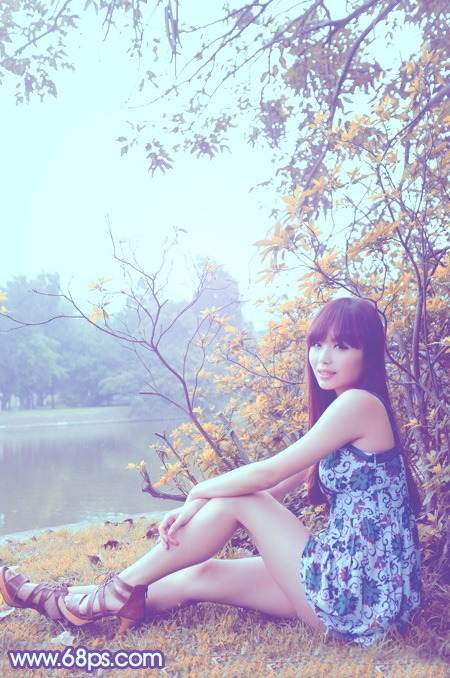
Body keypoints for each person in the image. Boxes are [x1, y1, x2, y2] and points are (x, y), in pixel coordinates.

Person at [0, 297, 421, 645]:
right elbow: (277, 487)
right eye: (316, 344)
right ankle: (68, 601)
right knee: (202, 575)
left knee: (243, 500)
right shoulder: (341, 411)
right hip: (349, 580)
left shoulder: (359, 405)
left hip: (359, 595)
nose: (323, 357)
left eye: (341, 346)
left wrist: (198, 492)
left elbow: (266, 477)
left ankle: (116, 591)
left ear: (367, 354)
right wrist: (206, 508)